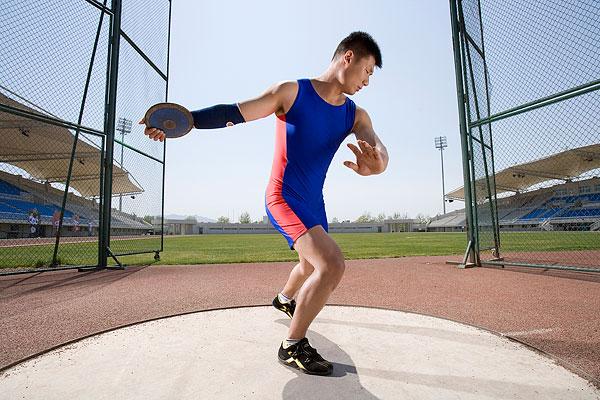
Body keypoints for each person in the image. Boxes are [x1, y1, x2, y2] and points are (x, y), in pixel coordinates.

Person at [141, 31, 388, 376]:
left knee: (307, 265)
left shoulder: (355, 115)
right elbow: (236, 112)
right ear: (349, 57)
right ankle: (293, 347)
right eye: (368, 71)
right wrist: (183, 122)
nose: (367, 81)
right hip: (282, 197)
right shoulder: (292, 92)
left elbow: (377, 148)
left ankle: (285, 300)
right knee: (331, 264)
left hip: (314, 203)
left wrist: (378, 164)